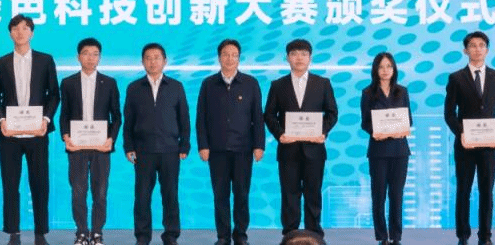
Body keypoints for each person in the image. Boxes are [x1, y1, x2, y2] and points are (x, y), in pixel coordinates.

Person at [0, 15, 60, 245]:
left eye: (25, 28)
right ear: (10, 33)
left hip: (37, 133)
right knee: (10, 184)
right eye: (15, 28)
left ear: (32, 33)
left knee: (40, 183)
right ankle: (13, 231)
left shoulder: (45, 60)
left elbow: (54, 94)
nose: (20, 32)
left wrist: (46, 120)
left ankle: (41, 231)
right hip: (9, 134)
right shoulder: (1, 62)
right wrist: (2, 121)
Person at [263, 38, 338, 241]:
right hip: (288, 149)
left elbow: (332, 113)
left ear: (310, 58)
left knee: (313, 192)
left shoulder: (322, 83)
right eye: (294, 54)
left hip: (314, 149)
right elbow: (269, 114)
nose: (299, 58)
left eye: (304, 54)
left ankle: (314, 232)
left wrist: (322, 132)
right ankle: (290, 233)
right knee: (290, 193)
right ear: (288, 58)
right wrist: (280, 134)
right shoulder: (278, 85)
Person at [195, 39, 264, 245]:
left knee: (242, 194)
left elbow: (257, 117)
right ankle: (223, 236)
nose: (229, 58)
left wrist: (259, 145)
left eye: (234, 55)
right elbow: (201, 118)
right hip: (217, 150)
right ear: (219, 57)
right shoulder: (208, 84)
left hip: (243, 149)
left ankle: (240, 235)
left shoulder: (250, 83)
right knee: (220, 195)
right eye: (225, 54)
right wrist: (203, 145)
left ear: (239, 58)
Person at [444, 31, 495, 245]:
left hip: (489, 146)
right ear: (466, 50)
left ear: (487, 50)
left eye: (482, 45)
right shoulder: (456, 78)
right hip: (465, 145)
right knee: (463, 190)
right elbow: (449, 113)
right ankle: (463, 236)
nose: (477, 49)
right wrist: (461, 134)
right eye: (473, 45)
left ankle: (485, 236)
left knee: (486, 192)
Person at [123, 43, 190, 245]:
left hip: (170, 150)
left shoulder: (176, 87)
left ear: (164, 61)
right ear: (142, 62)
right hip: (143, 151)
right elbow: (128, 121)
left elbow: (184, 119)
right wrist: (128, 146)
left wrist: (184, 145)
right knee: (142, 197)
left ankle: (171, 236)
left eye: (156, 57)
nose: (152, 62)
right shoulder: (134, 88)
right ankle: (142, 237)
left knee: (170, 196)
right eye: (148, 58)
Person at [59, 38, 122, 245]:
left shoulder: (109, 83)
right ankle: (81, 232)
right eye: (86, 53)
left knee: (100, 192)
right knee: (78, 192)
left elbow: (116, 116)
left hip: (101, 147)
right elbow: (64, 114)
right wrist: (66, 137)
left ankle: (97, 232)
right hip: (76, 146)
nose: (90, 58)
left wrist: (111, 139)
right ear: (78, 57)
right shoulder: (68, 83)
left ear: (100, 58)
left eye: (95, 54)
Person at [359, 52, 411, 245]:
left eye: (389, 66)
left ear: (394, 69)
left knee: (396, 196)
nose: (385, 70)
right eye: (381, 66)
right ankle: (382, 237)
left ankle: (396, 236)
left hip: (399, 150)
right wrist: (375, 132)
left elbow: (408, 119)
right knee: (378, 195)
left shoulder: (402, 91)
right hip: (378, 151)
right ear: (375, 70)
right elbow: (365, 122)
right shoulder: (367, 93)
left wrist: (402, 130)